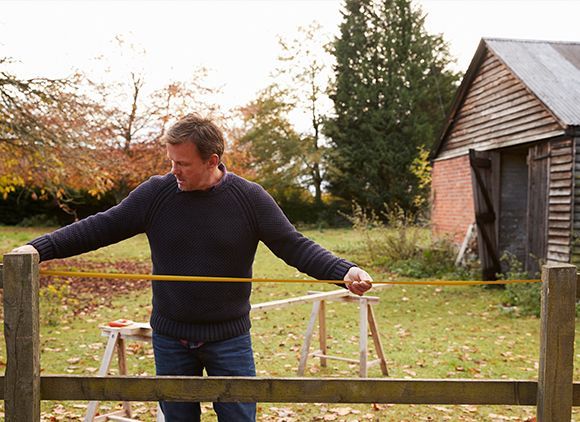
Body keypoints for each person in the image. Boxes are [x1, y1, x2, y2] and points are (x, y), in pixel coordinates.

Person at [13, 113, 372, 422]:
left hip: (230, 340)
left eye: (182, 164)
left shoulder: (250, 199)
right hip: (170, 340)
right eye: (170, 161)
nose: (173, 171)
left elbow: (295, 246)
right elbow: (100, 226)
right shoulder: (156, 194)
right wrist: (38, 248)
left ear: (211, 160)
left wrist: (344, 271)